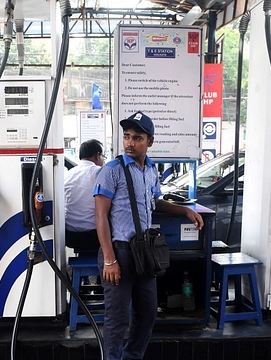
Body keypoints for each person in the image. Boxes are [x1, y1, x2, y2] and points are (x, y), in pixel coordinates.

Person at [93, 111, 204, 360]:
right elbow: (100, 216)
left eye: (138, 138)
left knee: (147, 314)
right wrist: (109, 259)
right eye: (127, 137)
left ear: (149, 142)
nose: (130, 143)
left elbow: (155, 202)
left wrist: (184, 210)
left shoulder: (151, 171)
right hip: (118, 252)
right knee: (117, 319)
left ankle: (132, 356)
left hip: (144, 254)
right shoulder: (111, 171)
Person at [64, 139, 106, 255]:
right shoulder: (100, 173)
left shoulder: (68, 174)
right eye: (103, 156)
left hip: (70, 236)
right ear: (97, 156)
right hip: (94, 237)